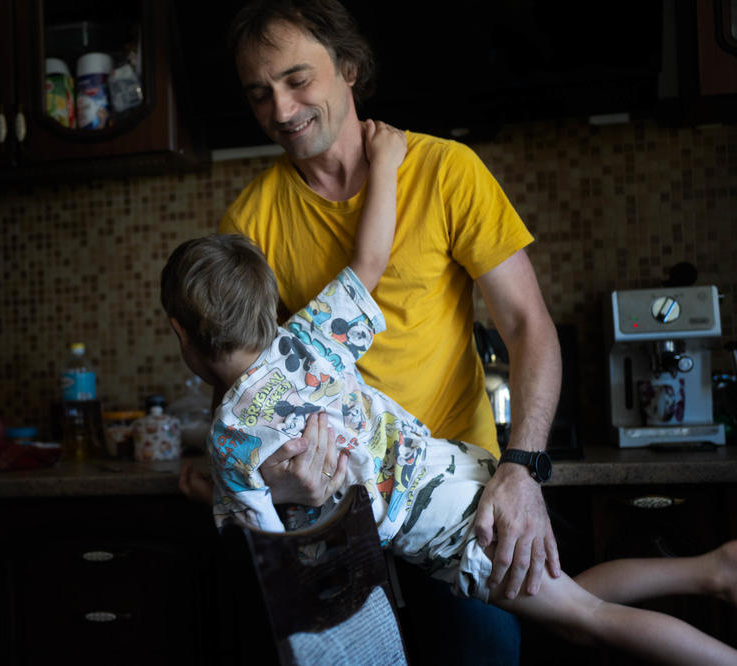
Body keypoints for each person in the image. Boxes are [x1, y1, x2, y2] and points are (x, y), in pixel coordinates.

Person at [159, 193, 737, 664]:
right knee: (576, 602)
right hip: (459, 468)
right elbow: (370, 262)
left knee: (589, 622)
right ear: (267, 301)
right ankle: (712, 570)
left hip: (443, 528)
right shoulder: (308, 339)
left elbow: (270, 547)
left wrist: (210, 490)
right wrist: (386, 165)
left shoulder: (230, 439)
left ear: (181, 335)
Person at [177, 0, 558, 660]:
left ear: (348, 69)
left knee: (490, 648)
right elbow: (247, 391)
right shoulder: (252, 218)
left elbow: (529, 326)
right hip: (335, 516)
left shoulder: (445, 170)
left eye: (298, 79)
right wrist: (280, 483)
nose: (282, 109)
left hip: (449, 493)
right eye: (260, 93)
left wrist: (522, 470)